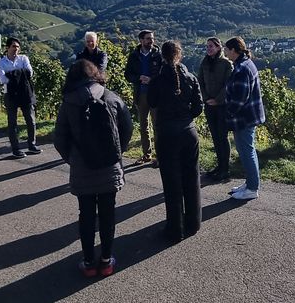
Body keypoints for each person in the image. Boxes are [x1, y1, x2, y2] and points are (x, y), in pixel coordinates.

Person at [53, 59, 133, 277]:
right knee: (108, 214)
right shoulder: (112, 97)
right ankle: (106, 261)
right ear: (95, 74)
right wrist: (116, 153)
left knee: (86, 215)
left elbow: (59, 138)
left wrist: (73, 159)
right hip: (109, 166)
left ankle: (88, 262)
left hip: (82, 167)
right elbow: (128, 129)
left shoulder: (69, 101)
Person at [148, 41, 204, 242]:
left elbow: (152, 103)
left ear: (162, 56)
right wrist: (185, 116)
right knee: (191, 178)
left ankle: (175, 229)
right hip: (189, 132)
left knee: (172, 182)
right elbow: (198, 108)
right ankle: (194, 222)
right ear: (179, 55)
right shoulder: (191, 78)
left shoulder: (157, 80)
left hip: (166, 133)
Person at [224, 37, 265, 201]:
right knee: (245, 150)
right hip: (248, 115)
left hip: (244, 118)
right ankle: (249, 183)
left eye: (226, 49)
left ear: (233, 50)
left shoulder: (241, 68)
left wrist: (229, 113)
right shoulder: (246, 63)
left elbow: (240, 98)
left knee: (247, 151)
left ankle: (253, 188)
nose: (224, 51)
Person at [0, 37, 41, 158]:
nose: (16, 49)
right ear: (7, 48)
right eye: (13, 46)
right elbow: (2, 79)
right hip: (10, 95)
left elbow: (30, 73)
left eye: (17, 46)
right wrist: (20, 74)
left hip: (25, 94)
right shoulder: (1, 62)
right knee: (12, 123)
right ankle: (16, 149)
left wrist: (12, 74)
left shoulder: (24, 58)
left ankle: (32, 145)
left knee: (31, 121)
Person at [197, 37, 234, 181]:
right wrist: (206, 98)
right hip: (209, 105)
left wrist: (218, 100)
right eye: (207, 46)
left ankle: (225, 168)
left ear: (219, 47)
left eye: (211, 46)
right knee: (215, 136)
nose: (209, 49)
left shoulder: (226, 64)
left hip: (222, 106)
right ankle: (219, 166)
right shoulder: (205, 62)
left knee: (222, 137)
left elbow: (228, 84)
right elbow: (199, 81)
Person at [123, 30, 162, 165]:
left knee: (157, 125)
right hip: (141, 94)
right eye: (147, 39)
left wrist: (151, 79)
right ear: (141, 40)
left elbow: (163, 74)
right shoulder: (134, 56)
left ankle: (160, 156)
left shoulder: (158, 55)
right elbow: (127, 74)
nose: (151, 41)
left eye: (152, 38)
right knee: (143, 125)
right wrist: (138, 78)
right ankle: (147, 154)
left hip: (155, 94)